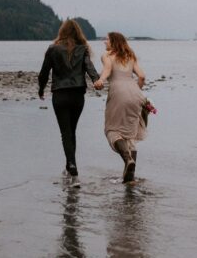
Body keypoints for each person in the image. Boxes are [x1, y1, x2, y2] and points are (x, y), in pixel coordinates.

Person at [38, 19, 100, 186]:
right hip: (77, 96)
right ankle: (69, 165)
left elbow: (44, 72)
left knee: (65, 132)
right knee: (72, 131)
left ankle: (71, 166)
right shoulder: (83, 49)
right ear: (77, 32)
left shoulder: (53, 49)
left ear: (62, 32)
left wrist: (41, 89)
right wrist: (96, 80)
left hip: (60, 95)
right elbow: (89, 67)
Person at [93, 32, 147, 183]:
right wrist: (137, 92)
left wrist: (101, 80)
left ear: (113, 42)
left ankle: (127, 159)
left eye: (107, 39)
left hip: (118, 93)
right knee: (131, 133)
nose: (104, 42)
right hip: (135, 93)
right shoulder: (130, 55)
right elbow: (142, 76)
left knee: (112, 130)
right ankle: (130, 176)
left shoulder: (107, 55)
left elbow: (107, 69)